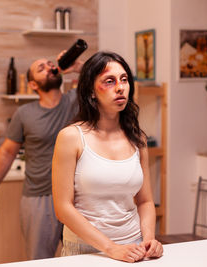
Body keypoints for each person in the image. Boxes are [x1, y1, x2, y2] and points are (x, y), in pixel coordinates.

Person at [52, 51, 163, 263]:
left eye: (124, 80)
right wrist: (111, 249)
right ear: (91, 92)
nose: (120, 87)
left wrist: (149, 239)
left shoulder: (137, 138)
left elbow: (145, 200)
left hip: (134, 248)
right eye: (109, 81)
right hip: (85, 251)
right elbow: (63, 208)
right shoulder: (71, 137)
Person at [0, 52, 82, 260]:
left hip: (76, 196)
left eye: (49, 64)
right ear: (33, 85)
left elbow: (98, 77)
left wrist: (77, 67)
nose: (49, 67)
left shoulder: (74, 100)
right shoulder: (24, 113)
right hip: (39, 197)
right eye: (41, 68)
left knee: (80, 258)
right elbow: (7, 152)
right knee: (40, 260)